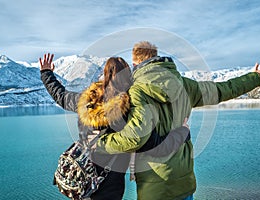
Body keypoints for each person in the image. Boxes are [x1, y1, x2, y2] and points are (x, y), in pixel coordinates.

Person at [96, 41, 260, 200]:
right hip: (185, 179)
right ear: (156, 58)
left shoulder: (137, 91)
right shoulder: (185, 85)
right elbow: (222, 89)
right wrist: (255, 78)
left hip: (156, 184)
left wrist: (101, 144)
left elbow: (135, 137)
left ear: (136, 63)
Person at [39, 53, 191, 200]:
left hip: (81, 182)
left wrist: (46, 73)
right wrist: (182, 132)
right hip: (107, 190)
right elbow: (155, 146)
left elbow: (60, 95)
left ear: (105, 75)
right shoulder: (126, 112)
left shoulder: (86, 100)